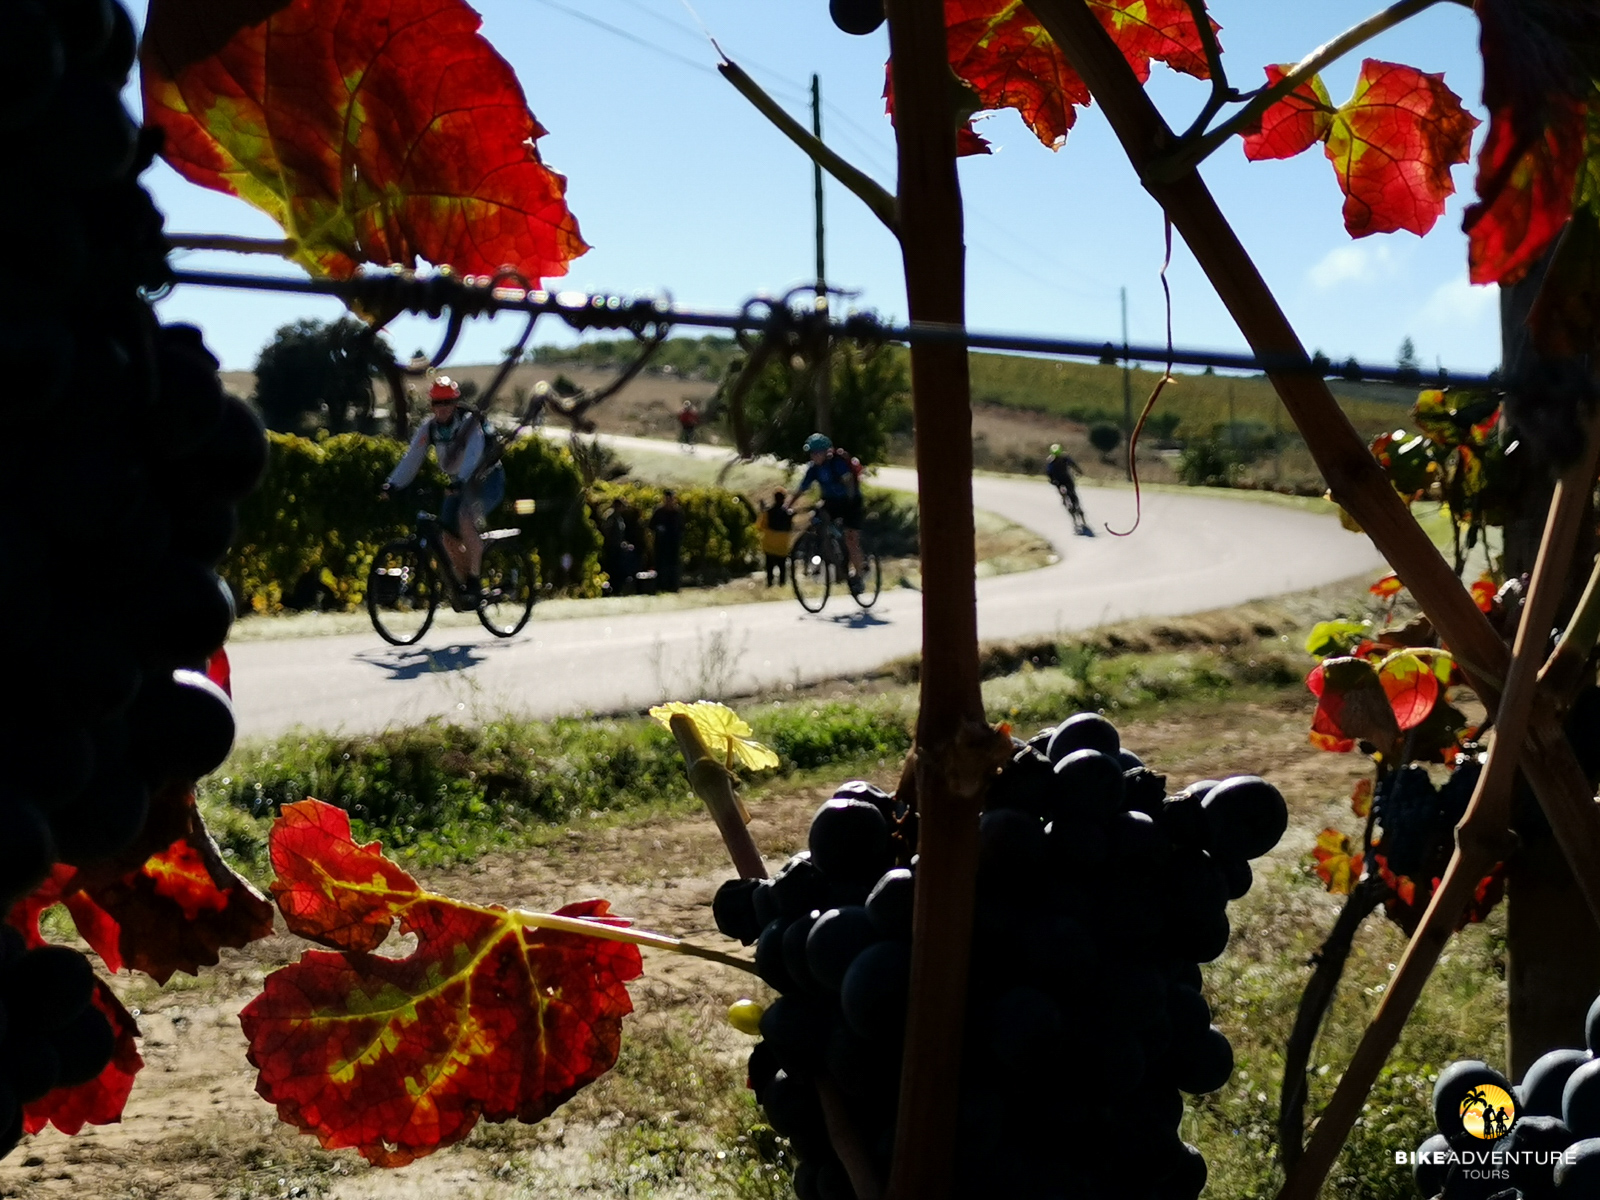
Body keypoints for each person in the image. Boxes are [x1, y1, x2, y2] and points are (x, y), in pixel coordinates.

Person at [380, 377, 506, 607]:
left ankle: (475, 579)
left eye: (447, 402)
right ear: (431, 405)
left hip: (486, 479)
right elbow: (412, 458)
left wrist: (461, 481)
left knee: (465, 519)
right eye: (437, 403)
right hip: (458, 482)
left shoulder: (469, 424)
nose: (442, 407)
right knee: (446, 535)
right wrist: (393, 484)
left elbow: (474, 454)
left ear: (455, 403)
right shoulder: (429, 428)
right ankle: (465, 588)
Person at [790, 433, 865, 592]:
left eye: (817, 452)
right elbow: (801, 488)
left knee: (851, 539)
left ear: (826, 452)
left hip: (850, 501)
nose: (814, 456)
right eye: (812, 453)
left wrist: (849, 505)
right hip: (831, 501)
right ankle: (825, 549)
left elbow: (849, 484)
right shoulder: (814, 469)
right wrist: (787, 506)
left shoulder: (837, 463)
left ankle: (858, 576)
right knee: (815, 518)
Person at [648, 489, 685, 593]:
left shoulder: (677, 512)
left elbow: (682, 527)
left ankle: (673, 585)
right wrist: (658, 528)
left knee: (673, 565)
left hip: (674, 543)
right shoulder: (659, 512)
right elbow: (651, 525)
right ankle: (661, 585)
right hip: (661, 543)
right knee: (661, 565)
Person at [756, 488, 794, 586]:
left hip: (769, 544)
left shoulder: (768, 512)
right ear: (784, 499)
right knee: (782, 567)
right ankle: (782, 584)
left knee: (769, 567)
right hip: (782, 545)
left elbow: (760, 527)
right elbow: (791, 528)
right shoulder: (788, 513)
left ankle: (770, 583)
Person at [1045, 442, 1086, 532]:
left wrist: (1078, 471)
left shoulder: (1065, 458)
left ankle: (1076, 506)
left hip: (1066, 479)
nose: (1057, 457)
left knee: (1073, 494)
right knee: (1064, 492)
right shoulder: (1051, 460)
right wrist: (1051, 480)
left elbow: (1073, 464)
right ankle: (1065, 500)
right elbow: (1049, 472)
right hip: (1059, 481)